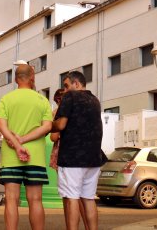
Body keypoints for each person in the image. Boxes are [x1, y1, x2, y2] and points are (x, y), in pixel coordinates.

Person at [0, 64, 53, 230]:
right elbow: (47, 127)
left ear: (15, 79)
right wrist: (24, 139)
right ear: (32, 78)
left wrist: (16, 142)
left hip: (11, 157)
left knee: (11, 200)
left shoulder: (7, 99)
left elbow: (1, 125)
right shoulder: (42, 100)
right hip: (35, 157)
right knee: (35, 200)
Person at [52, 71, 107, 230]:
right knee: (88, 199)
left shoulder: (70, 97)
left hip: (73, 158)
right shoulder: (94, 100)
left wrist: (49, 125)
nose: (65, 90)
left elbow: (60, 125)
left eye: (67, 85)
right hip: (93, 158)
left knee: (72, 199)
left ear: (76, 84)